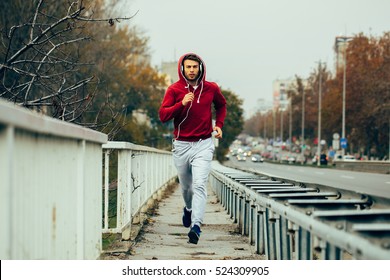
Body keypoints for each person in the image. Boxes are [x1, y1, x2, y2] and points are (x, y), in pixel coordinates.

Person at [159, 53, 227, 244]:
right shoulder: (174, 89)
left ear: (200, 68)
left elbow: (222, 106)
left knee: (199, 185)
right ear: (182, 68)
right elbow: (163, 115)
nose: (191, 70)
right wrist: (181, 104)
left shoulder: (211, 88)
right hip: (181, 145)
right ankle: (188, 209)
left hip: (203, 144)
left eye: (194, 67)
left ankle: (196, 226)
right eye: (188, 67)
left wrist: (219, 125)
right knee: (186, 188)